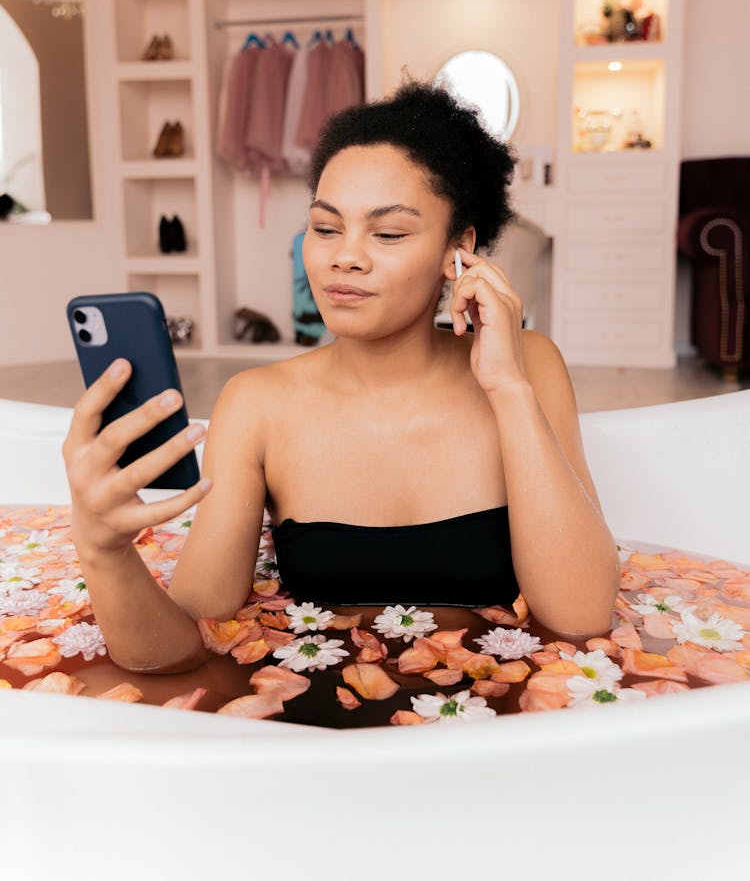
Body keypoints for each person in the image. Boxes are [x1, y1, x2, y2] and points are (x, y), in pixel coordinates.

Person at [63, 81, 620, 677]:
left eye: (388, 233)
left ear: (458, 250)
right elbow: (185, 646)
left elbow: (582, 616)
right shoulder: (258, 404)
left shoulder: (528, 365)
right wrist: (104, 551)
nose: (344, 257)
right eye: (326, 229)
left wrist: (508, 390)